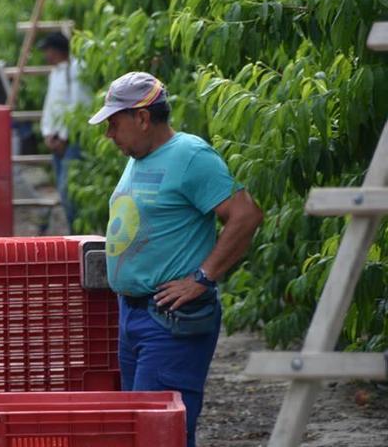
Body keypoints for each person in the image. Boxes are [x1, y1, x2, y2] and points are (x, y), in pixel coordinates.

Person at [88, 71, 263, 447]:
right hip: (132, 315)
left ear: (143, 117)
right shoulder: (139, 157)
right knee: (140, 429)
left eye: (114, 125)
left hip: (169, 320)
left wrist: (202, 277)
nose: (109, 136)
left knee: (157, 432)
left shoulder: (190, 155)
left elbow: (246, 214)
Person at [38, 32, 93, 232]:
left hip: (71, 139)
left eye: (49, 50)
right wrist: (48, 132)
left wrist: (63, 136)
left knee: (68, 189)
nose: (47, 55)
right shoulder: (57, 73)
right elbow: (51, 105)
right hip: (57, 139)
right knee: (65, 191)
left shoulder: (76, 69)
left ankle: (78, 234)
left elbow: (78, 105)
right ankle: (75, 232)